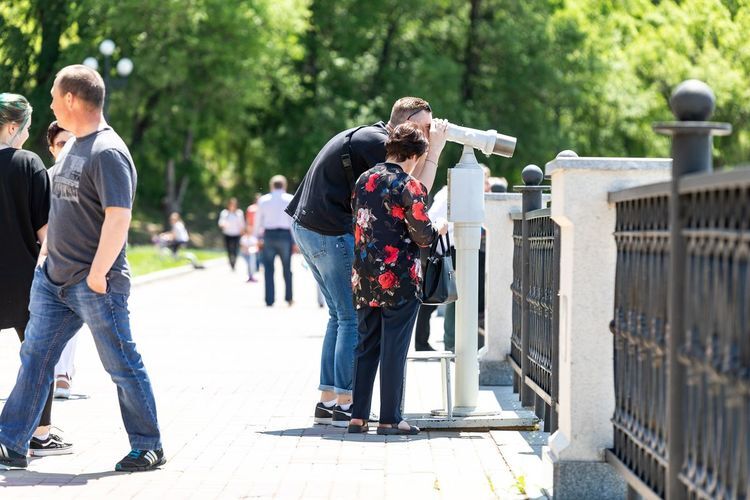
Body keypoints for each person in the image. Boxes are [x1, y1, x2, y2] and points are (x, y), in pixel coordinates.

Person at [0, 65, 164, 472]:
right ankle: (10, 442)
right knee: (35, 361)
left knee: (122, 364)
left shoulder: (108, 151)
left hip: (95, 284)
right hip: (53, 281)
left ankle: (149, 445)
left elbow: (118, 216)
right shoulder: (74, 146)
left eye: (56, 96)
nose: (52, 104)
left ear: (72, 99)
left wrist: (97, 273)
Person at [286, 97, 448, 428]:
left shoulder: (370, 155)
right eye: (425, 127)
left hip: (310, 228)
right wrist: (434, 152)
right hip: (333, 236)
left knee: (340, 316)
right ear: (405, 124)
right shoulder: (381, 148)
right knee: (349, 321)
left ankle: (332, 400)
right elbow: (416, 196)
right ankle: (348, 405)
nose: (429, 133)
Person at [347, 123, 448, 435]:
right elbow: (423, 236)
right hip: (399, 278)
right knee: (394, 348)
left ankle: (358, 416)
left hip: (364, 276)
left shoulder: (365, 180)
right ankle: (390, 418)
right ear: (416, 155)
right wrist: (440, 227)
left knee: (366, 345)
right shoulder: (409, 186)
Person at [0, 94, 73, 457]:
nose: (27, 135)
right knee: (39, 358)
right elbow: (47, 234)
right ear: (12, 127)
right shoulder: (29, 164)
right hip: (24, 284)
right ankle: (40, 433)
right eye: (26, 128)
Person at [45, 121, 79, 399]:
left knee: (72, 317)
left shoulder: (86, 176)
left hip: (79, 261)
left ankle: (63, 373)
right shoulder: (42, 178)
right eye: (60, 144)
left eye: (71, 142)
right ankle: (58, 372)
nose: (66, 148)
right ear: (51, 149)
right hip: (47, 258)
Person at [255, 175, 294, 306]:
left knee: (268, 269)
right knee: (287, 268)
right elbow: (292, 221)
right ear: (284, 185)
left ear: (272, 186)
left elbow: (257, 221)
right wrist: (295, 241)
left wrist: (257, 238)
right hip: (285, 236)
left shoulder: (263, 200)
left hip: (269, 235)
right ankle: (289, 298)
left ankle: (269, 299)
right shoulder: (290, 199)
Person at [218, 197, 245, 270]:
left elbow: (242, 224)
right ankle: (231, 262)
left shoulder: (239, 213)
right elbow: (221, 222)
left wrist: (243, 232)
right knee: (229, 249)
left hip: (236, 234)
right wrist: (223, 225)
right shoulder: (225, 213)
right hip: (227, 234)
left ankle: (234, 262)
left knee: (236, 249)